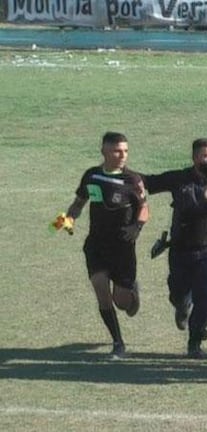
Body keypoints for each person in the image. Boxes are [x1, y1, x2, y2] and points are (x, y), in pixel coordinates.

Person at [143, 138, 207, 359]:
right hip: (180, 249)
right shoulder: (179, 179)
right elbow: (148, 183)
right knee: (179, 293)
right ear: (194, 158)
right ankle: (181, 307)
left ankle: (195, 340)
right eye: (204, 156)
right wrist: (123, 175)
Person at [59, 132, 149, 359]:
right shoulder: (91, 176)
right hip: (96, 245)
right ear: (104, 151)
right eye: (117, 151)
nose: (122, 155)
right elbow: (79, 202)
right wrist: (68, 219)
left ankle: (131, 292)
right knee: (100, 286)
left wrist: (136, 227)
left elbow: (144, 208)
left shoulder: (133, 179)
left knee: (123, 303)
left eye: (125, 151)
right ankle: (118, 342)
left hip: (122, 248)